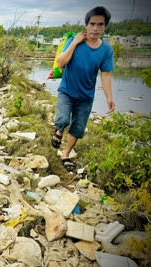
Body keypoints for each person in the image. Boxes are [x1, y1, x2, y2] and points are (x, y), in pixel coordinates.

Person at [51, 6, 115, 171]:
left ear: (104, 26)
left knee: (78, 129)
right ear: (86, 24)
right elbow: (60, 62)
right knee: (63, 120)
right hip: (67, 90)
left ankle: (65, 154)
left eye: (100, 24)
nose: (95, 28)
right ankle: (59, 130)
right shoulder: (76, 42)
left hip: (86, 96)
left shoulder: (106, 49)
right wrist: (75, 42)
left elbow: (105, 74)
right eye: (92, 23)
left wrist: (109, 97)